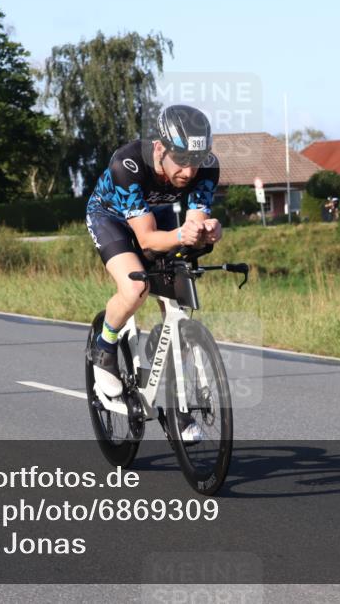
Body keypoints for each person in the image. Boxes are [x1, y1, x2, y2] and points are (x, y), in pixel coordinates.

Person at [85, 105, 222, 441]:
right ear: (161, 149)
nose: (190, 172)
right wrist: (180, 236)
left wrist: (207, 229)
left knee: (178, 298)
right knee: (135, 289)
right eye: (182, 161)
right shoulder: (127, 163)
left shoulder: (207, 167)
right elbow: (145, 239)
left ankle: (179, 411)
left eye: (197, 161)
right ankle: (104, 348)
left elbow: (193, 221)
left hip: (156, 216)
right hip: (110, 218)